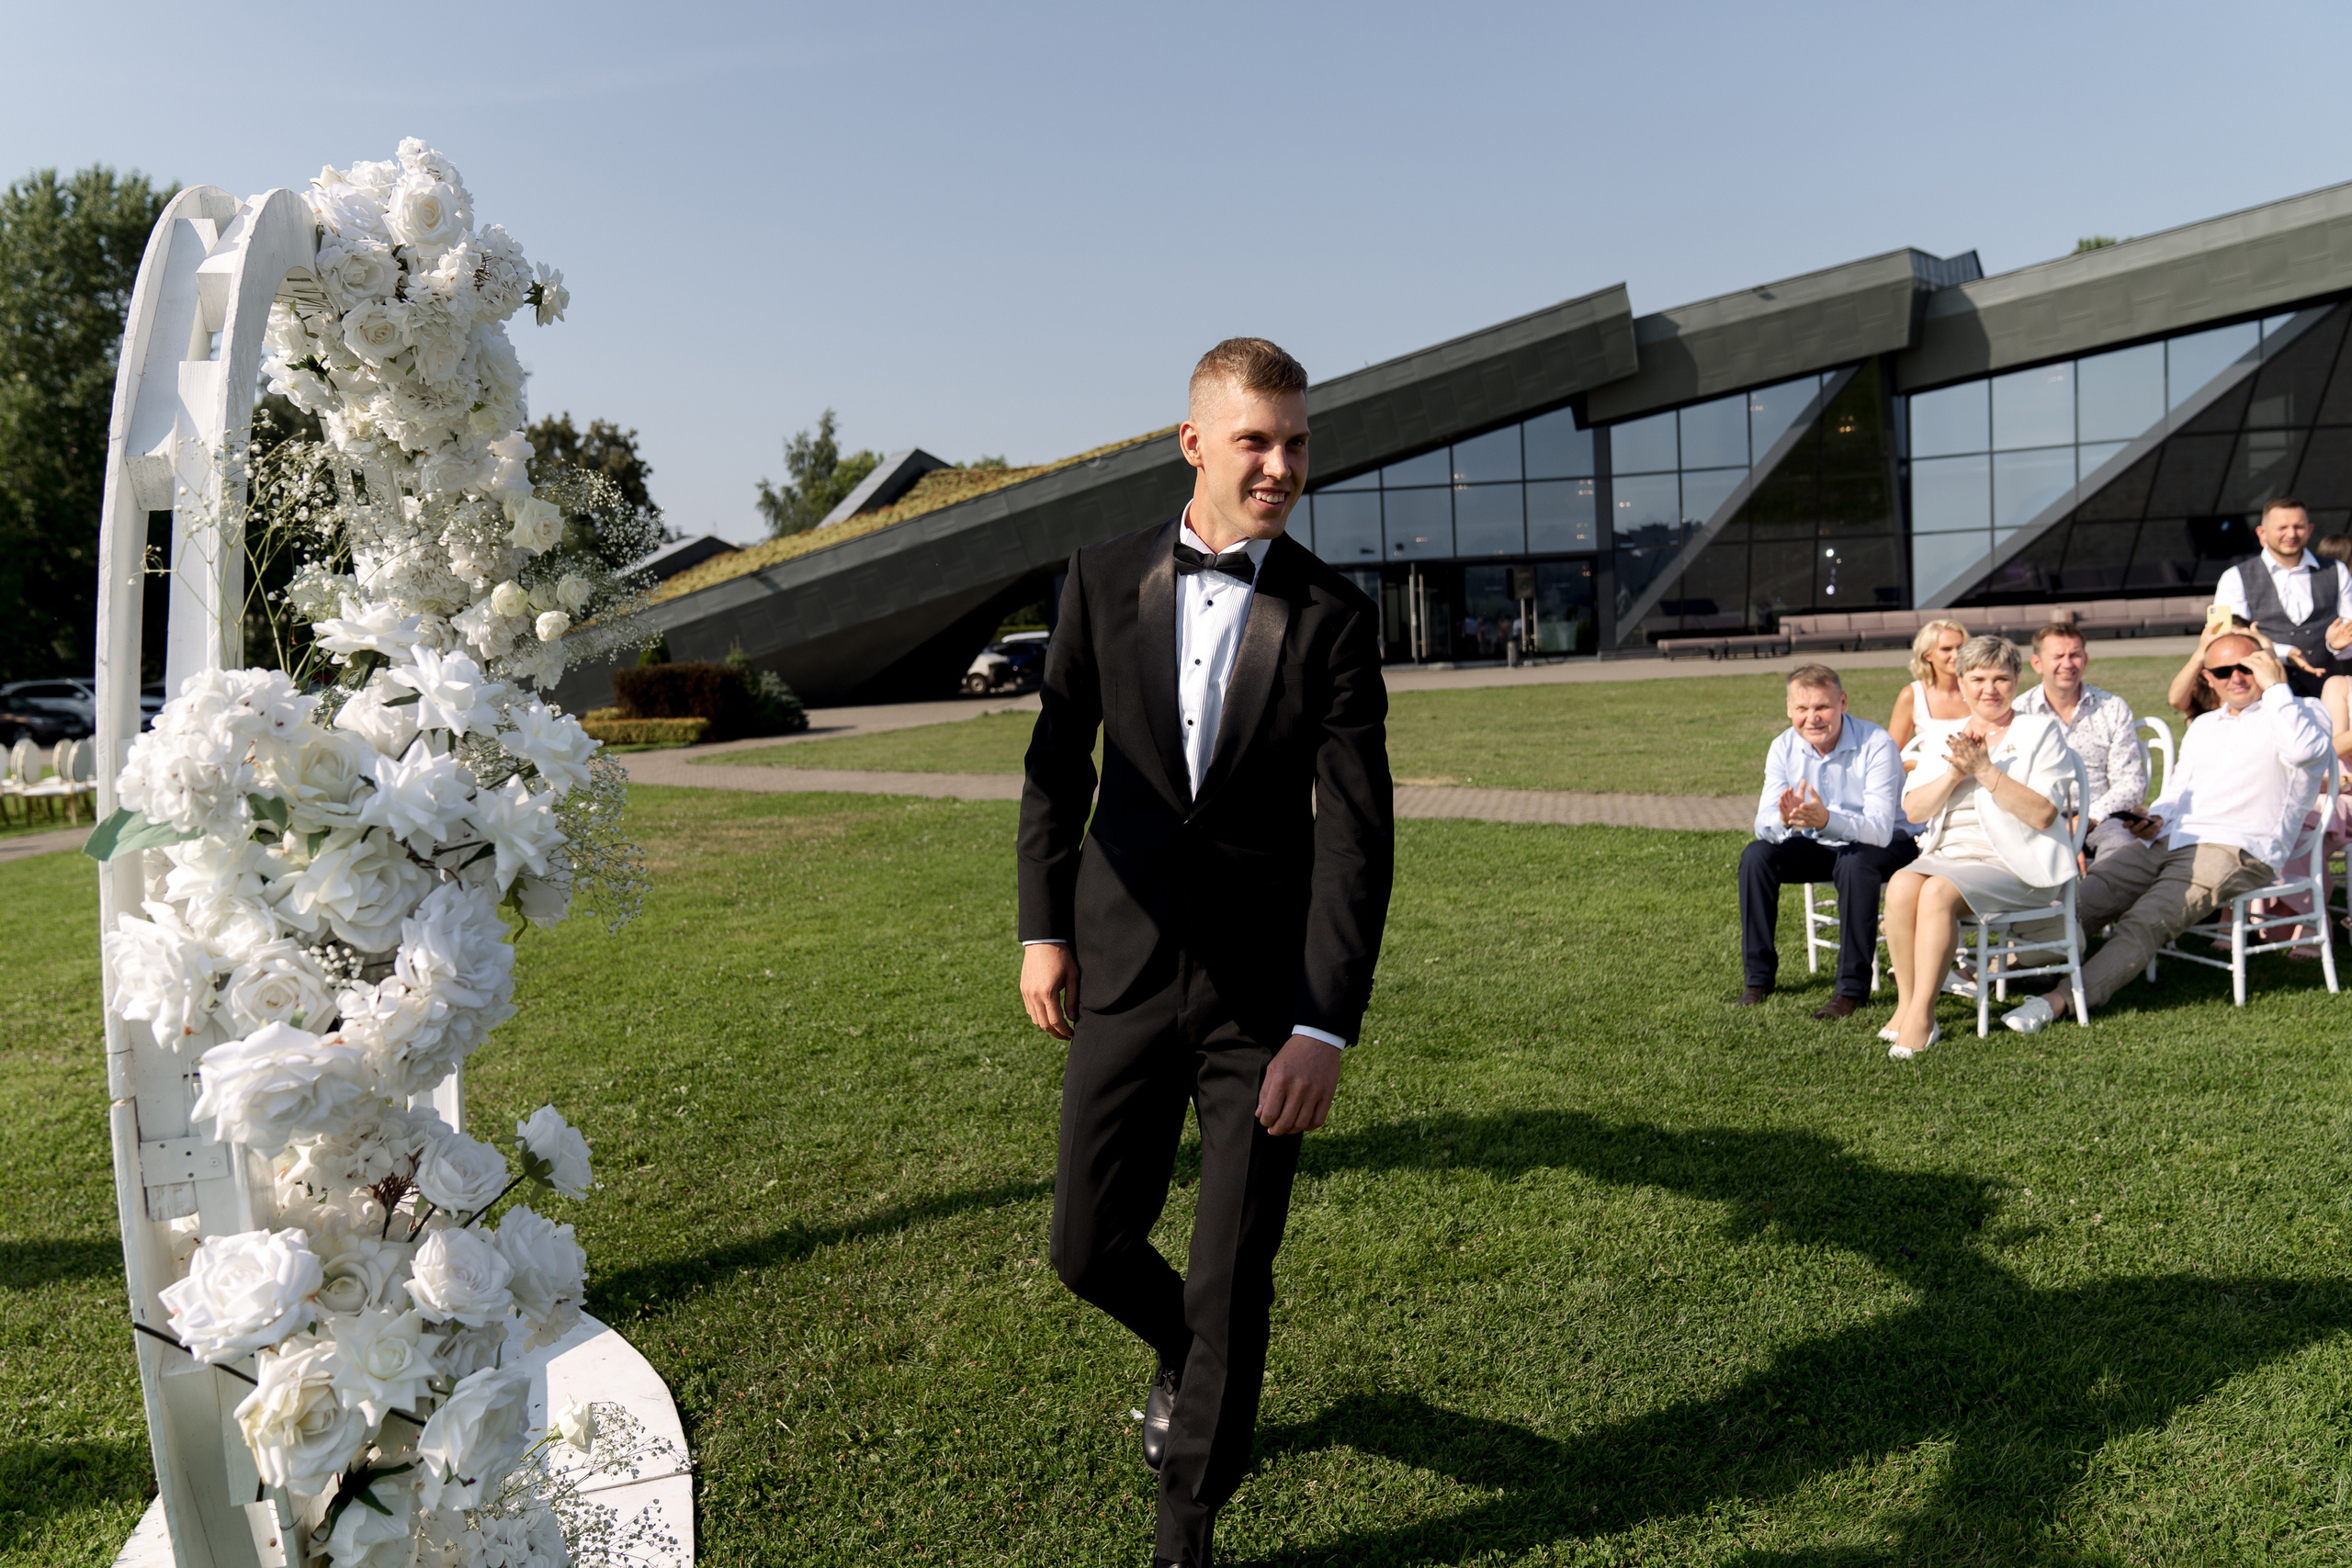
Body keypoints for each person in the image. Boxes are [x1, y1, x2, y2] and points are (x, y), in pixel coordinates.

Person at [1017, 337, 1393, 1568]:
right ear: (1195, 443)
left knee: (1234, 1273)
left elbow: (1357, 838)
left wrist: (1323, 1023)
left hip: (1260, 1003)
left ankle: (1186, 1527)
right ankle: (1190, 1348)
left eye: (1296, 442)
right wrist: (1045, 925)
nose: (1282, 464)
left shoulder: (1334, 616)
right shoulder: (1100, 574)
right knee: (1085, 1244)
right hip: (1120, 967)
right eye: (1256, 441)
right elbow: (1054, 762)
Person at [2002, 634, 2334, 1031]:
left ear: (2264, 664)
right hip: (2171, 837)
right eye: (2224, 671)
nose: (2237, 678)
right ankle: (1995, 969)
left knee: (2147, 919)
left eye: (2247, 666)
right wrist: (2154, 818)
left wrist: (2278, 685)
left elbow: (2305, 753)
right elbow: (2177, 793)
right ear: (2209, 678)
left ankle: (2056, 1002)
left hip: (2237, 847)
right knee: (2082, 899)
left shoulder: (2303, 712)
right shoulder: (2206, 724)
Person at [1881, 637, 2078, 1059]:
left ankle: (1922, 1017)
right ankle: (1906, 1004)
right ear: (1962, 681)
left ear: (2017, 680)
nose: (1990, 689)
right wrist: (1954, 774)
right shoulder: (1946, 735)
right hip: (1949, 855)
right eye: (1979, 678)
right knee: (1900, 884)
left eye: (2001, 678)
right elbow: (1914, 809)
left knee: (1936, 891)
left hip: (2016, 864)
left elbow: (2044, 815)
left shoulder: (2038, 732)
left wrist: (1985, 770)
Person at [1735, 666, 1915, 1019]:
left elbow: (1879, 830)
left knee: (1854, 861)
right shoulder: (1783, 746)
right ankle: (1758, 980)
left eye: (1822, 707)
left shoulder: (1876, 742)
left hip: (1892, 843)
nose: (1812, 718)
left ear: (1843, 702)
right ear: (1789, 710)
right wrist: (1784, 819)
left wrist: (1828, 820)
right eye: (1802, 709)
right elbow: (1762, 823)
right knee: (1757, 856)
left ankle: (1851, 989)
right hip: (1824, 840)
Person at [2013, 623, 2146, 863]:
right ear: (2037, 664)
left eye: (2074, 655)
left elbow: (2131, 783)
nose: (2067, 664)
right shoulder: (2020, 712)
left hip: (2100, 818)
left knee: (2122, 853)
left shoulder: (2112, 708)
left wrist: (2087, 818)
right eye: (2057, 656)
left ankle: (2097, 899)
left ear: (2085, 659)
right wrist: (2057, 827)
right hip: (2039, 819)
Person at [2213, 496, 2352, 696]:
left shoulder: (2337, 570)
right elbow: (2231, 638)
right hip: (2265, 694)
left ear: (2310, 530)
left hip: (2329, 693)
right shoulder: (2235, 578)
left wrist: (2336, 645)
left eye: (2299, 527)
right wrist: (2284, 653)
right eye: (2282, 528)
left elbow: (2348, 626)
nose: (2291, 534)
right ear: (2262, 533)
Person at [1887, 618, 1971, 763]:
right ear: (1928, 655)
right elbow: (1889, 756)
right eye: (1946, 649)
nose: (1956, 655)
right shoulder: (1912, 695)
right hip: (1929, 782)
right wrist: (1918, 764)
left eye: (1960, 648)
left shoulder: (1980, 690)